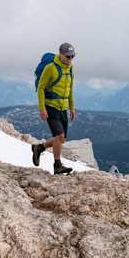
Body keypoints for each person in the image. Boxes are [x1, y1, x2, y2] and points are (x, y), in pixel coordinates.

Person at [32, 43, 76, 174]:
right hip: (50, 106)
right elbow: (40, 88)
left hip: (63, 108)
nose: (70, 59)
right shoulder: (51, 68)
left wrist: (72, 108)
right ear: (61, 54)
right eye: (68, 56)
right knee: (59, 135)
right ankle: (57, 165)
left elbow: (70, 90)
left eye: (72, 56)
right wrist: (42, 108)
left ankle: (39, 148)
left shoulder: (71, 69)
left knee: (61, 140)